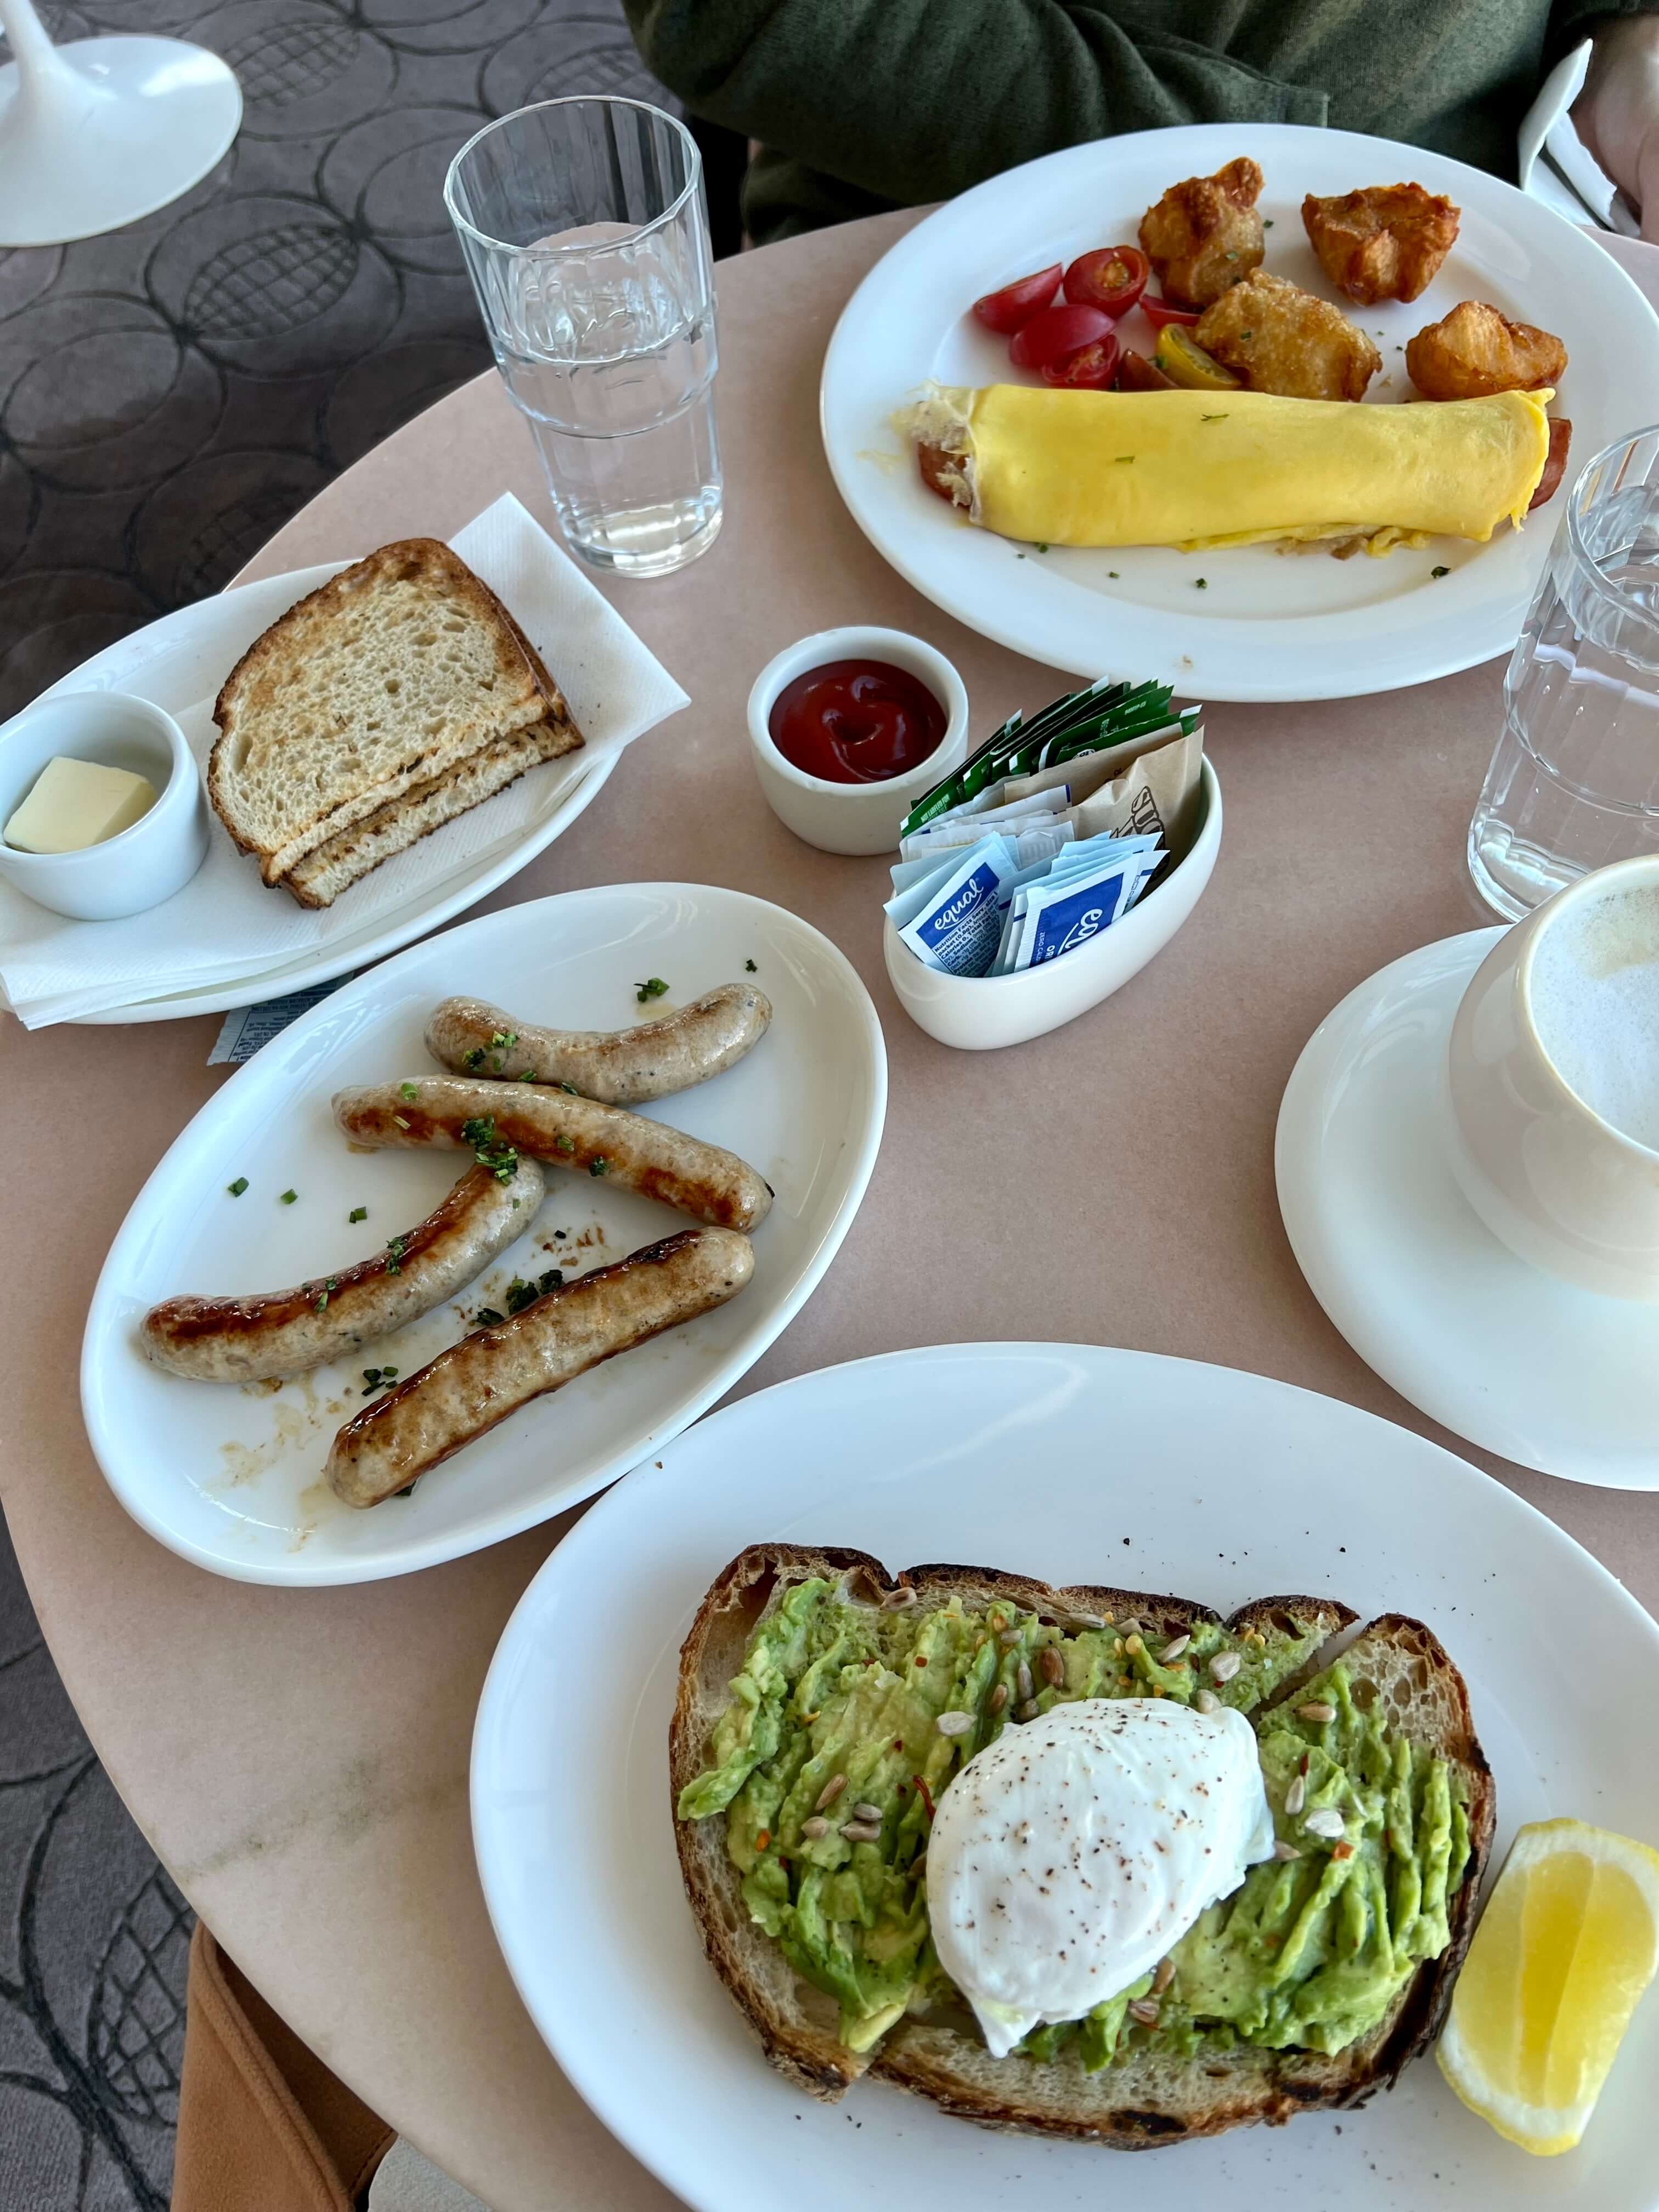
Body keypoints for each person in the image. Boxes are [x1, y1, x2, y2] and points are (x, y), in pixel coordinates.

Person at [622, 1, 1659, 246]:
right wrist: (1244, 148)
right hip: (956, 240)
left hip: (1528, 223)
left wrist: (1631, 39)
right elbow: (737, 17)